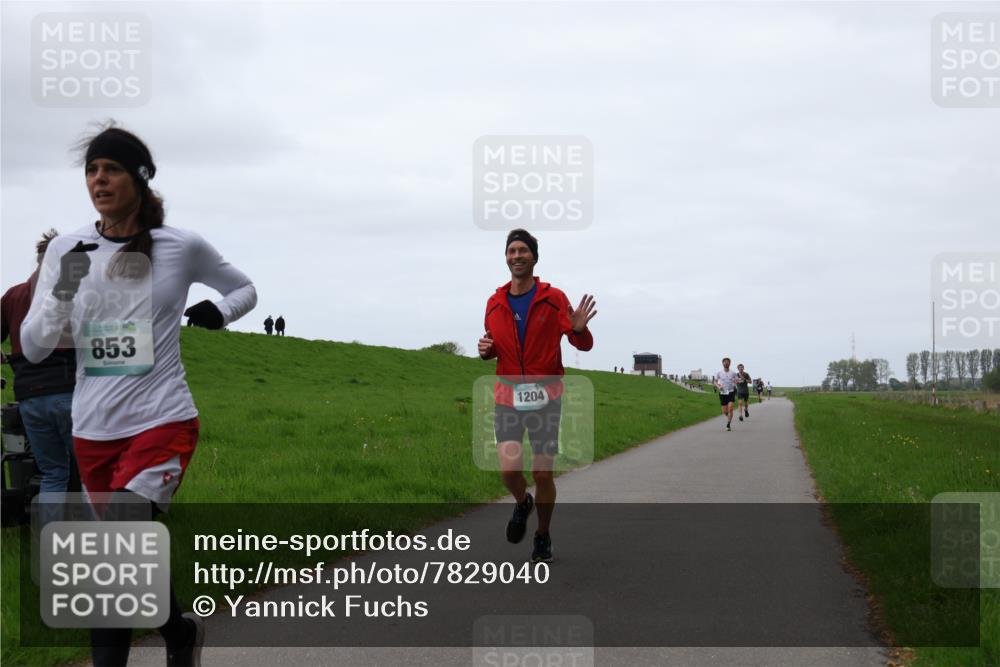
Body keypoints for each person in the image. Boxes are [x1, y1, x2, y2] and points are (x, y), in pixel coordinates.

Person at [21, 124, 257, 667]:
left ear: (141, 179)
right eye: (91, 171)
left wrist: (218, 312)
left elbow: (244, 288)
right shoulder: (66, 249)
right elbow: (33, 348)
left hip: (162, 419)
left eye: (111, 169)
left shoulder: (182, 246)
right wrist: (62, 290)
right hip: (92, 430)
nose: (98, 180)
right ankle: (177, 628)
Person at [478, 229, 596, 563]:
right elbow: (493, 346)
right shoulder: (494, 302)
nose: (517, 256)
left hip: (545, 398)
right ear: (506, 257)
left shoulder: (554, 297)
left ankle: (542, 535)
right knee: (508, 471)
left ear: (534, 257)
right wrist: (484, 351)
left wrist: (578, 328)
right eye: (511, 251)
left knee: (543, 474)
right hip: (507, 397)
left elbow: (583, 344)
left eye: (523, 251)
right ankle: (522, 503)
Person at [1, 230, 80, 494]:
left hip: (29, 399)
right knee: (91, 474)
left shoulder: (13, 296)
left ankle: (48, 535)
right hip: (70, 393)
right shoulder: (74, 295)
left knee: (53, 474)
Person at [714, 358, 738, 431]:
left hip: (731, 391)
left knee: (730, 408)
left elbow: (737, 380)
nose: (726, 363)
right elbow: (715, 381)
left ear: (730, 363)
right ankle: (728, 417)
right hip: (722, 392)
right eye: (725, 362)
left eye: (728, 362)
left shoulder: (733, 373)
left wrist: (735, 382)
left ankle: (728, 424)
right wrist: (718, 386)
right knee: (724, 411)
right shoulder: (719, 373)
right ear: (723, 363)